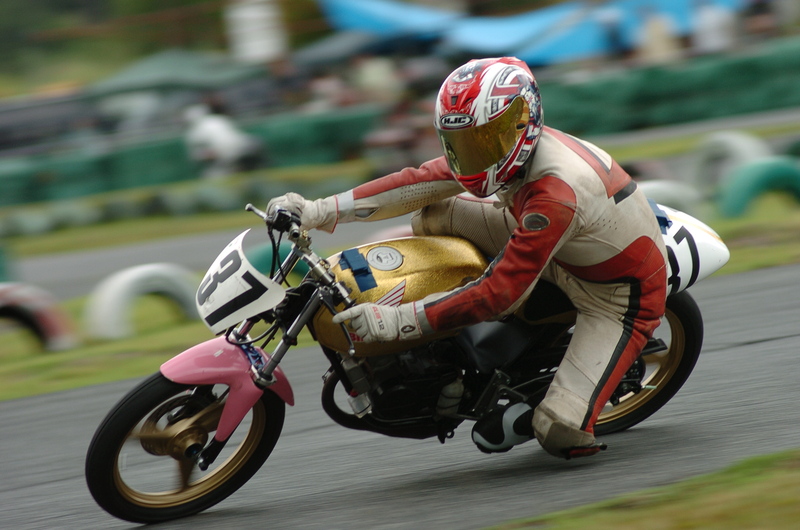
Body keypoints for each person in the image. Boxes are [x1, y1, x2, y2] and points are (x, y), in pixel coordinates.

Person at [268, 57, 668, 460]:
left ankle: (532, 405)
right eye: (462, 143)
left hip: (615, 292)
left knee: (558, 430)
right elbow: (416, 183)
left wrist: (398, 321)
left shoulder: (555, 195)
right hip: (559, 245)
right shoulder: (509, 154)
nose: (472, 156)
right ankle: (455, 329)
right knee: (433, 214)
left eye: (485, 140)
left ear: (521, 121)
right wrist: (317, 210)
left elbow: (500, 293)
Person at [183, 101, 265, 179]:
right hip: (251, 146)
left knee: (211, 176)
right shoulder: (220, 118)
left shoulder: (194, 132)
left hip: (230, 157)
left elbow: (203, 155)